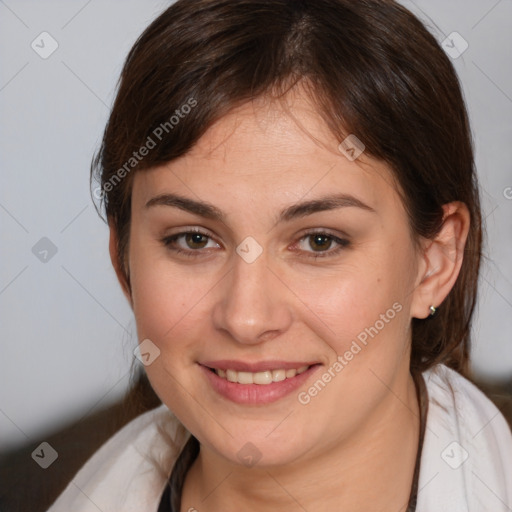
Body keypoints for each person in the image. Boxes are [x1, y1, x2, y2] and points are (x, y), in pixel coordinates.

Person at [47, 0, 512, 510]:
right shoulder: (33, 482)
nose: (246, 319)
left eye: (319, 241)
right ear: (124, 261)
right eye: (194, 239)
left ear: (435, 261)